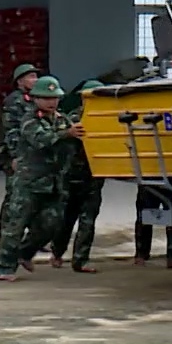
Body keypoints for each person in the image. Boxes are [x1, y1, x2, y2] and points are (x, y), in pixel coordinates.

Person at [0, 75, 83, 281]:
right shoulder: (30, 119)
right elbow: (41, 139)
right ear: (35, 99)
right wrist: (66, 134)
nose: (52, 102)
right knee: (15, 225)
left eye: (55, 98)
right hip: (29, 182)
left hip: (53, 183)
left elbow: (74, 135)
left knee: (52, 223)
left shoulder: (61, 119)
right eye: (46, 98)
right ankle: (5, 267)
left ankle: (25, 254)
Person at [50, 80, 105, 273]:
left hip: (94, 176)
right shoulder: (72, 118)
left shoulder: (106, 119)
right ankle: (57, 252)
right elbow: (55, 138)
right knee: (66, 218)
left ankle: (81, 260)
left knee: (88, 220)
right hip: (71, 175)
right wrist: (69, 133)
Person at [0, 63, 40, 231]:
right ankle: (7, 234)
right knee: (14, 198)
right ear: (20, 81)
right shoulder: (14, 100)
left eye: (36, 76)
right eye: (31, 77)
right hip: (17, 154)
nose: (35, 80)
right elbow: (11, 130)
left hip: (33, 155)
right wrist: (15, 156)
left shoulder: (37, 98)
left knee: (34, 198)